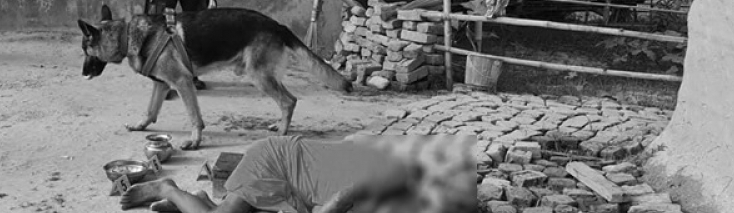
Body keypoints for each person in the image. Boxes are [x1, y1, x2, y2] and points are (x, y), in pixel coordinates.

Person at [120, 134, 476, 213]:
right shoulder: (386, 176)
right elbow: (332, 206)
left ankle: (198, 202)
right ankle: (168, 189)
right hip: (276, 161)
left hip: (289, 174)